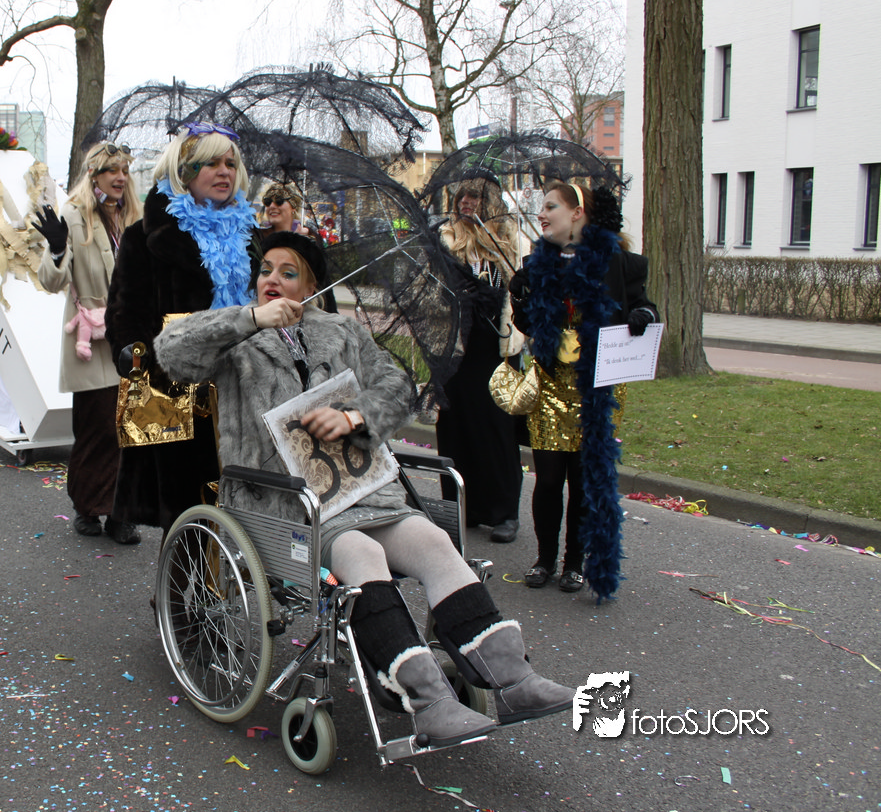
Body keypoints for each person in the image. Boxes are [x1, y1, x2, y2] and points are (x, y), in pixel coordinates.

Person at [155, 231, 574, 747]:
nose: (272, 279)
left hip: (364, 489)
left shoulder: (343, 331)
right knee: (360, 552)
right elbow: (171, 352)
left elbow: (397, 386)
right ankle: (427, 698)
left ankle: (513, 677)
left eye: (289, 272)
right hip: (285, 502)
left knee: (434, 541)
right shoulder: (236, 338)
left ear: (311, 284)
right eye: (266, 270)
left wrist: (354, 416)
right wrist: (251, 319)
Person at [105, 122, 259, 536]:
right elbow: (124, 311)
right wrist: (134, 355)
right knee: (185, 512)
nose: (224, 171)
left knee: (245, 506)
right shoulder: (144, 237)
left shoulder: (253, 236)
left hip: (243, 383)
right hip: (172, 385)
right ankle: (180, 579)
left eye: (231, 163)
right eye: (211, 163)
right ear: (185, 172)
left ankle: (230, 577)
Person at [509, 180, 657, 599]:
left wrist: (642, 317)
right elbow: (529, 325)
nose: (541, 214)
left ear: (577, 213)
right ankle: (544, 559)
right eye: (541, 207)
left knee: (582, 480)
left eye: (550, 206)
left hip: (595, 386)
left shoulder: (616, 262)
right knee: (548, 480)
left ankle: (574, 563)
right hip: (552, 385)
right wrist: (520, 299)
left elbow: (644, 306)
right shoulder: (537, 264)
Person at [33, 141, 143, 542]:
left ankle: (121, 513)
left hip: (133, 337)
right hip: (92, 340)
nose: (120, 177)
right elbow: (52, 281)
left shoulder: (135, 217)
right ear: (94, 174)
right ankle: (88, 507)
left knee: (133, 432)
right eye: (112, 170)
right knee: (98, 429)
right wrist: (57, 247)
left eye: (125, 170)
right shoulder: (74, 215)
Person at [434, 175, 525, 544]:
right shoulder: (446, 240)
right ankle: (461, 508)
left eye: (474, 197)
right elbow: (431, 292)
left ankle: (504, 512)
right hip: (458, 346)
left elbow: (520, 291)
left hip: (495, 348)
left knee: (497, 430)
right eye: (462, 197)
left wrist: (501, 294)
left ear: (490, 203)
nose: (466, 203)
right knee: (456, 428)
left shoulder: (509, 242)